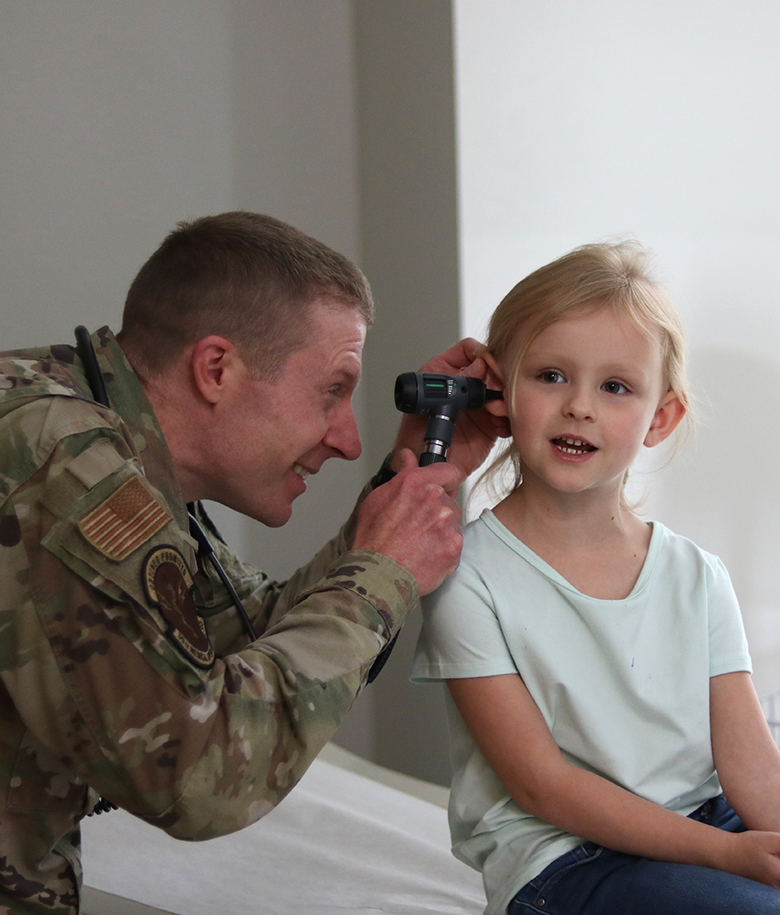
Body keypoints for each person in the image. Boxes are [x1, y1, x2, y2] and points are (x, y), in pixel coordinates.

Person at [0, 211, 507, 914]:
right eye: (332, 391)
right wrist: (383, 574)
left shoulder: (99, 437)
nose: (348, 439)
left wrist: (406, 480)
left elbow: (239, 634)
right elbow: (193, 774)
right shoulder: (61, 462)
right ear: (216, 369)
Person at [412, 241, 780, 915]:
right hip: (567, 860)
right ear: (498, 392)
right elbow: (541, 785)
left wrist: (755, 839)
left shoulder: (697, 576)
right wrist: (728, 857)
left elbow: (752, 768)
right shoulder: (466, 574)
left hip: (708, 819)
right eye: (551, 375)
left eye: (615, 386)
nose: (580, 406)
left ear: (660, 417)